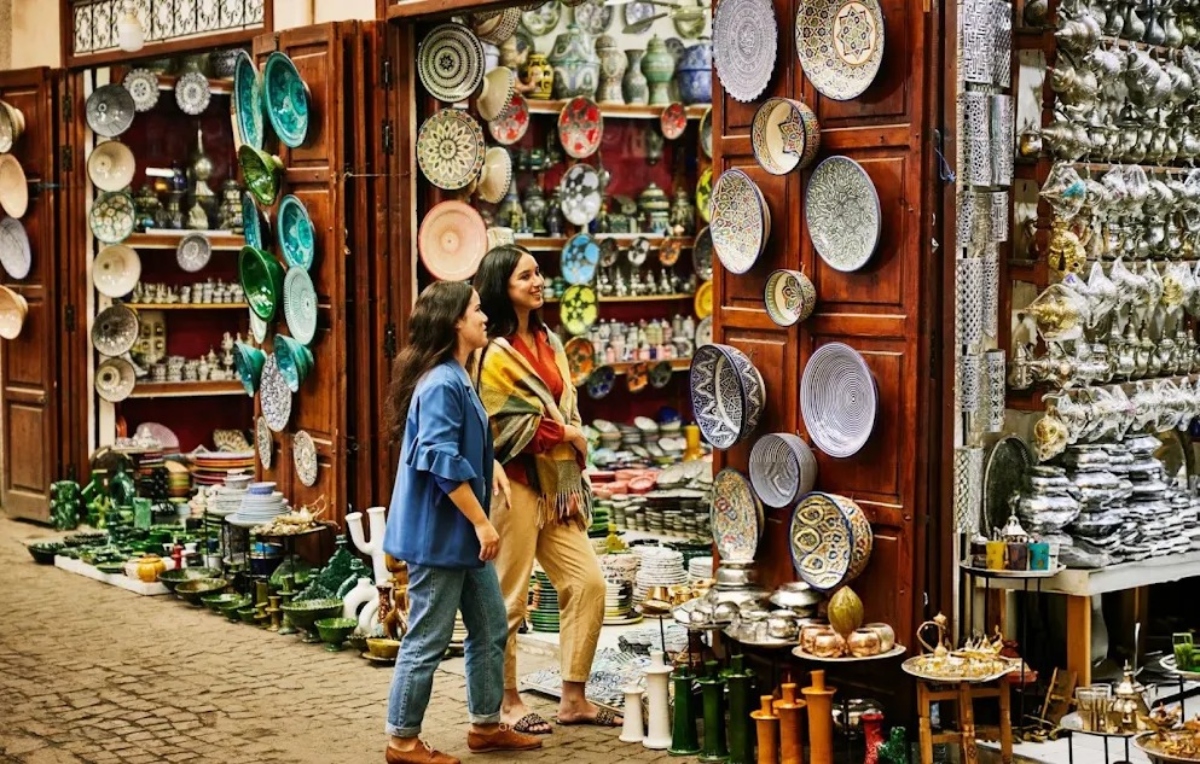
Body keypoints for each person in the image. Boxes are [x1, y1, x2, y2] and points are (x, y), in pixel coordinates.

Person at [381, 281, 542, 764]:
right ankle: (402, 742)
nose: (484, 316)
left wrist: (490, 465)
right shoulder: (441, 383)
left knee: (490, 626)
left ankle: (486, 725)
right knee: (427, 638)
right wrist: (483, 524)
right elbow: (439, 459)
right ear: (454, 321)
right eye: (475, 309)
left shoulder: (457, 374)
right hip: (441, 535)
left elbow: (459, 442)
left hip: (461, 536)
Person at [473, 246, 620, 733]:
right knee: (509, 599)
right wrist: (568, 434)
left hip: (557, 487)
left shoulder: (549, 340)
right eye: (525, 276)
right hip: (514, 484)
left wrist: (568, 440)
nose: (538, 282)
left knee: (587, 582)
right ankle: (507, 701)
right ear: (502, 287)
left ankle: (573, 698)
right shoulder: (493, 352)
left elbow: (562, 405)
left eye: (538, 273)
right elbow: (502, 422)